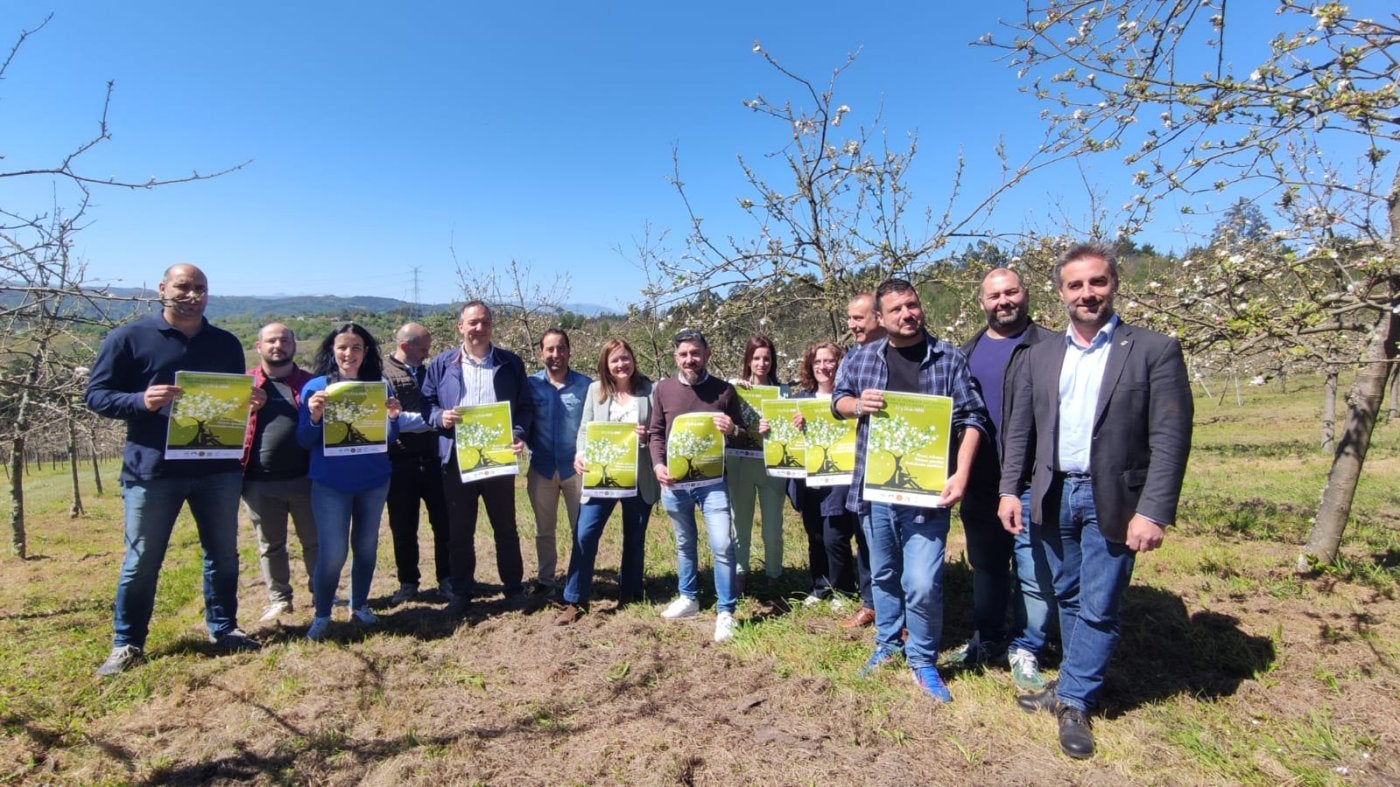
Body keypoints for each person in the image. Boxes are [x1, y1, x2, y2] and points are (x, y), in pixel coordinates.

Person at [999, 242, 1193, 759]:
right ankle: (1069, 684)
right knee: (1065, 592)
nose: (1087, 294)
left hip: (1115, 497)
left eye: (1097, 283)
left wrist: (1152, 509)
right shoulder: (1039, 354)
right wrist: (1007, 490)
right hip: (1052, 492)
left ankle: (1075, 700)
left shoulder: (1153, 349)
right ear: (1061, 292)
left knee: (1100, 602)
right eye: (1076, 285)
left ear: (1114, 285)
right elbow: (1020, 431)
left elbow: (1171, 437)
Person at [85, 263, 267, 676]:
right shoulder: (129, 338)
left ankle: (224, 628)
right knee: (142, 559)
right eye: (184, 286)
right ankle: (127, 642)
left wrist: (247, 401)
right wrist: (140, 401)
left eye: (201, 288)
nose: (193, 294)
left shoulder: (224, 343)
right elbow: (96, 395)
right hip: (153, 470)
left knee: (222, 554)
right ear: (162, 288)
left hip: (217, 467)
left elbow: (229, 397)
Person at [832, 278, 990, 703]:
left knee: (921, 581)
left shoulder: (949, 359)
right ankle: (887, 643)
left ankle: (922, 659)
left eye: (912, 305)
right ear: (880, 319)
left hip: (927, 493)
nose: (908, 314)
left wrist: (960, 474)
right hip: (875, 489)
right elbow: (838, 401)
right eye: (897, 309)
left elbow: (973, 419)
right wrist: (855, 406)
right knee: (883, 573)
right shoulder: (861, 358)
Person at [946, 269, 1057, 691]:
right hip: (980, 481)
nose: (1003, 301)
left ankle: (1027, 646)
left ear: (1025, 295)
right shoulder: (964, 353)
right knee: (987, 567)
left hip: (1032, 482)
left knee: (1033, 570)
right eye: (994, 295)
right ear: (982, 303)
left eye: (1011, 292)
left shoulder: (1051, 347)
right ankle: (986, 639)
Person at [421, 301, 534, 609]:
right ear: (461, 327)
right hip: (457, 459)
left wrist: (518, 434)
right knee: (459, 531)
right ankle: (461, 593)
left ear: (491, 326)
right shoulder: (443, 365)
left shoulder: (510, 363)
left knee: (506, 528)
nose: (479, 328)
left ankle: (513, 589)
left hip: (498, 457)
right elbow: (426, 404)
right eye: (472, 323)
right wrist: (440, 417)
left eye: (484, 322)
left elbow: (524, 407)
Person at [297, 323, 401, 641]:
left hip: (373, 480)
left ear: (365, 352)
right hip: (331, 484)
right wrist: (314, 417)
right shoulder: (316, 387)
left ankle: (360, 606)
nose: (349, 353)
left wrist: (393, 419)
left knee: (366, 548)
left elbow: (388, 439)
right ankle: (322, 614)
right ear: (332, 350)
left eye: (356, 347)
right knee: (333, 553)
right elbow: (303, 439)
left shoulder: (380, 387)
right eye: (343, 347)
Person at [648, 329, 746, 643]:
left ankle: (726, 611)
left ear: (707, 353)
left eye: (695, 353)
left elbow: (743, 434)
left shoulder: (725, 391)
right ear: (675, 358)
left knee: (722, 545)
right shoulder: (663, 390)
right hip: (675, 483)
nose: (690, 359)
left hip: (713, 483)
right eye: (683, 354)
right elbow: (656, 433)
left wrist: (731, 429)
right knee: (684, 543)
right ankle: (688, 597)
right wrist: (658, 465)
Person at [555, 339, 656, 624]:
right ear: (606, 365)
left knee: (634, 538)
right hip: (602, 477)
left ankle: (630, 593)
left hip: (638, 476)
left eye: (625, 358)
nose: (621, 364)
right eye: (615, 360)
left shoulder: (650, 390)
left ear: (633, 359)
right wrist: (580, 454)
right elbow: (585, 429)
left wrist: (648, 435)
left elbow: (661, 428)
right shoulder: (595, 391)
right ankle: (575, 599)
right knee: (584, 534)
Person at [766, 341, 855, 606]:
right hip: (808, 478)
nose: (823, 367)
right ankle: (820, 586)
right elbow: (780, 431)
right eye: (817, 362)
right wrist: (772, 427)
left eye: (829, 361)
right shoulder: (800, 400)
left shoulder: (848, 398)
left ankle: (845, 588)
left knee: (835, 535)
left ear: (840, 364)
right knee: (814, 534)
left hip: (840, 477)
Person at [241, 322, 318, 623]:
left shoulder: (311, 384)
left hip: (307, 479)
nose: (278, 346)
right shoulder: (244, 385)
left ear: (294, 345)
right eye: (271, 341)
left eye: (284, 340)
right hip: (259, 481)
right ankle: (280, 599)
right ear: (259, 346)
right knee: (270, 545)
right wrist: (245, 408)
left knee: (315, 541)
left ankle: (321, 592)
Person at [383, 323, 451, 604]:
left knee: (444, 523)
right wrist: (433, 420)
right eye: (423, 349)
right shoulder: (382, 373)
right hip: (399, 461)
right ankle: (408, 582)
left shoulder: (431, 371)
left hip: (436, 459)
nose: (427, 353)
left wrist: (415, 419)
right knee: (403, 525)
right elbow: (389, 420)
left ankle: (447, 579)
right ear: (404, 346)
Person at [525, 328, 592, 595]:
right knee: (544, 529)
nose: (556, 354)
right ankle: (546, 579)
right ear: (541, 353)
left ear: (569, 351)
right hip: (541, 467)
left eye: (561, 348)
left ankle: (579, 579)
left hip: (576, 469)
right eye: (550, 349)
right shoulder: (530, 386)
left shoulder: (586, 386)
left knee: (582, 529)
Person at [835, 293, 887, 629]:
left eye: (859, 318)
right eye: (850, 318)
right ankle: (871, 604)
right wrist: (857, 406)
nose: (852, 325)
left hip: (901, 466)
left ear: (879, 318)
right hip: (863, 466)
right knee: (866, 538)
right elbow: (838, 401)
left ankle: (903, 612)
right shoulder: (853, 359)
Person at [727, 335, 788, 591]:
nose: (761, 363)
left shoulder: (783, 392)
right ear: (748, 360)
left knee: (773, 527)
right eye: (756, 358)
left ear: (772, 361)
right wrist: (733, 386)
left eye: (766, 358)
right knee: (739, 523)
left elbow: (791, 432)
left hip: (772, 467)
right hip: (740, 465)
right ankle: (740, 573)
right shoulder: (735, 389)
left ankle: (774, 574)